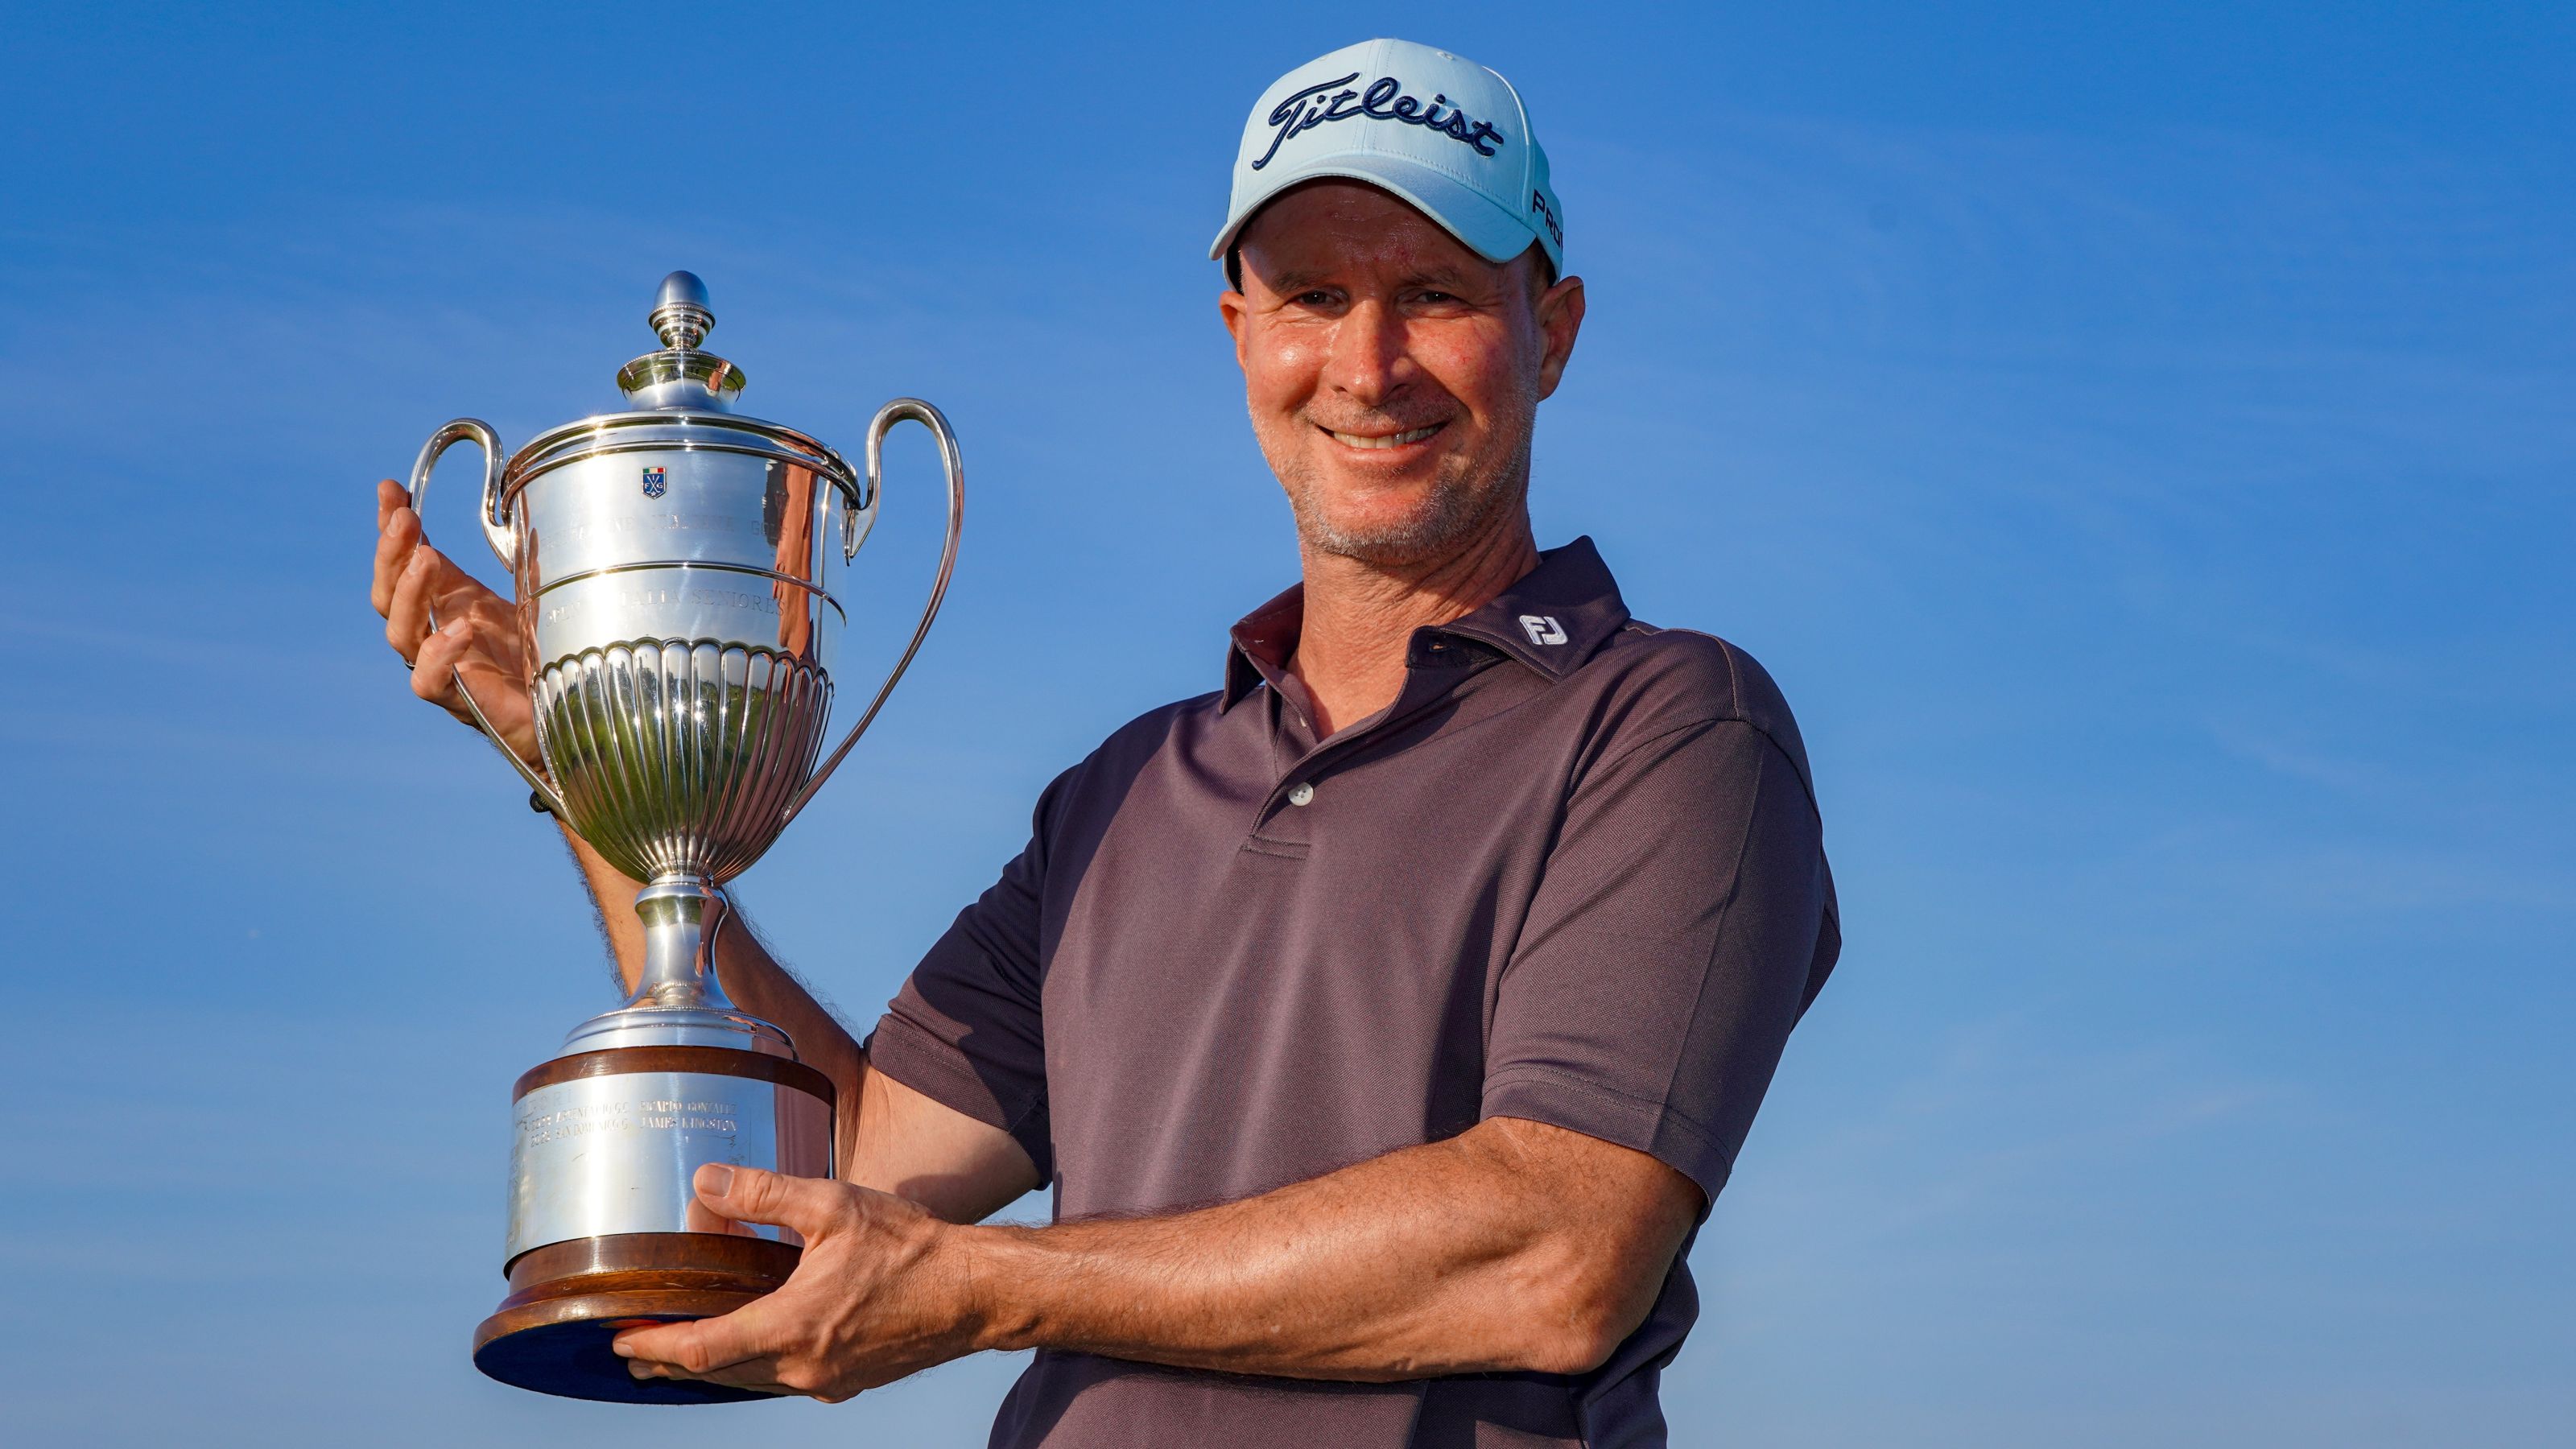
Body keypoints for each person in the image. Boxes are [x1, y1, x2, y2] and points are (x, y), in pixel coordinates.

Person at [370, 36, 1839, 1449]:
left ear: (1554, 333)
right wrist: (575, 756)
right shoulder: (1126, 791)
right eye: (1313, 295)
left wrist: (996, 1290)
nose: (1369, 362)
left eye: (1438, 293)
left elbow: (1560, 1252)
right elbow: (870, 1164)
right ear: (1240, 336)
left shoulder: (1671, 726)